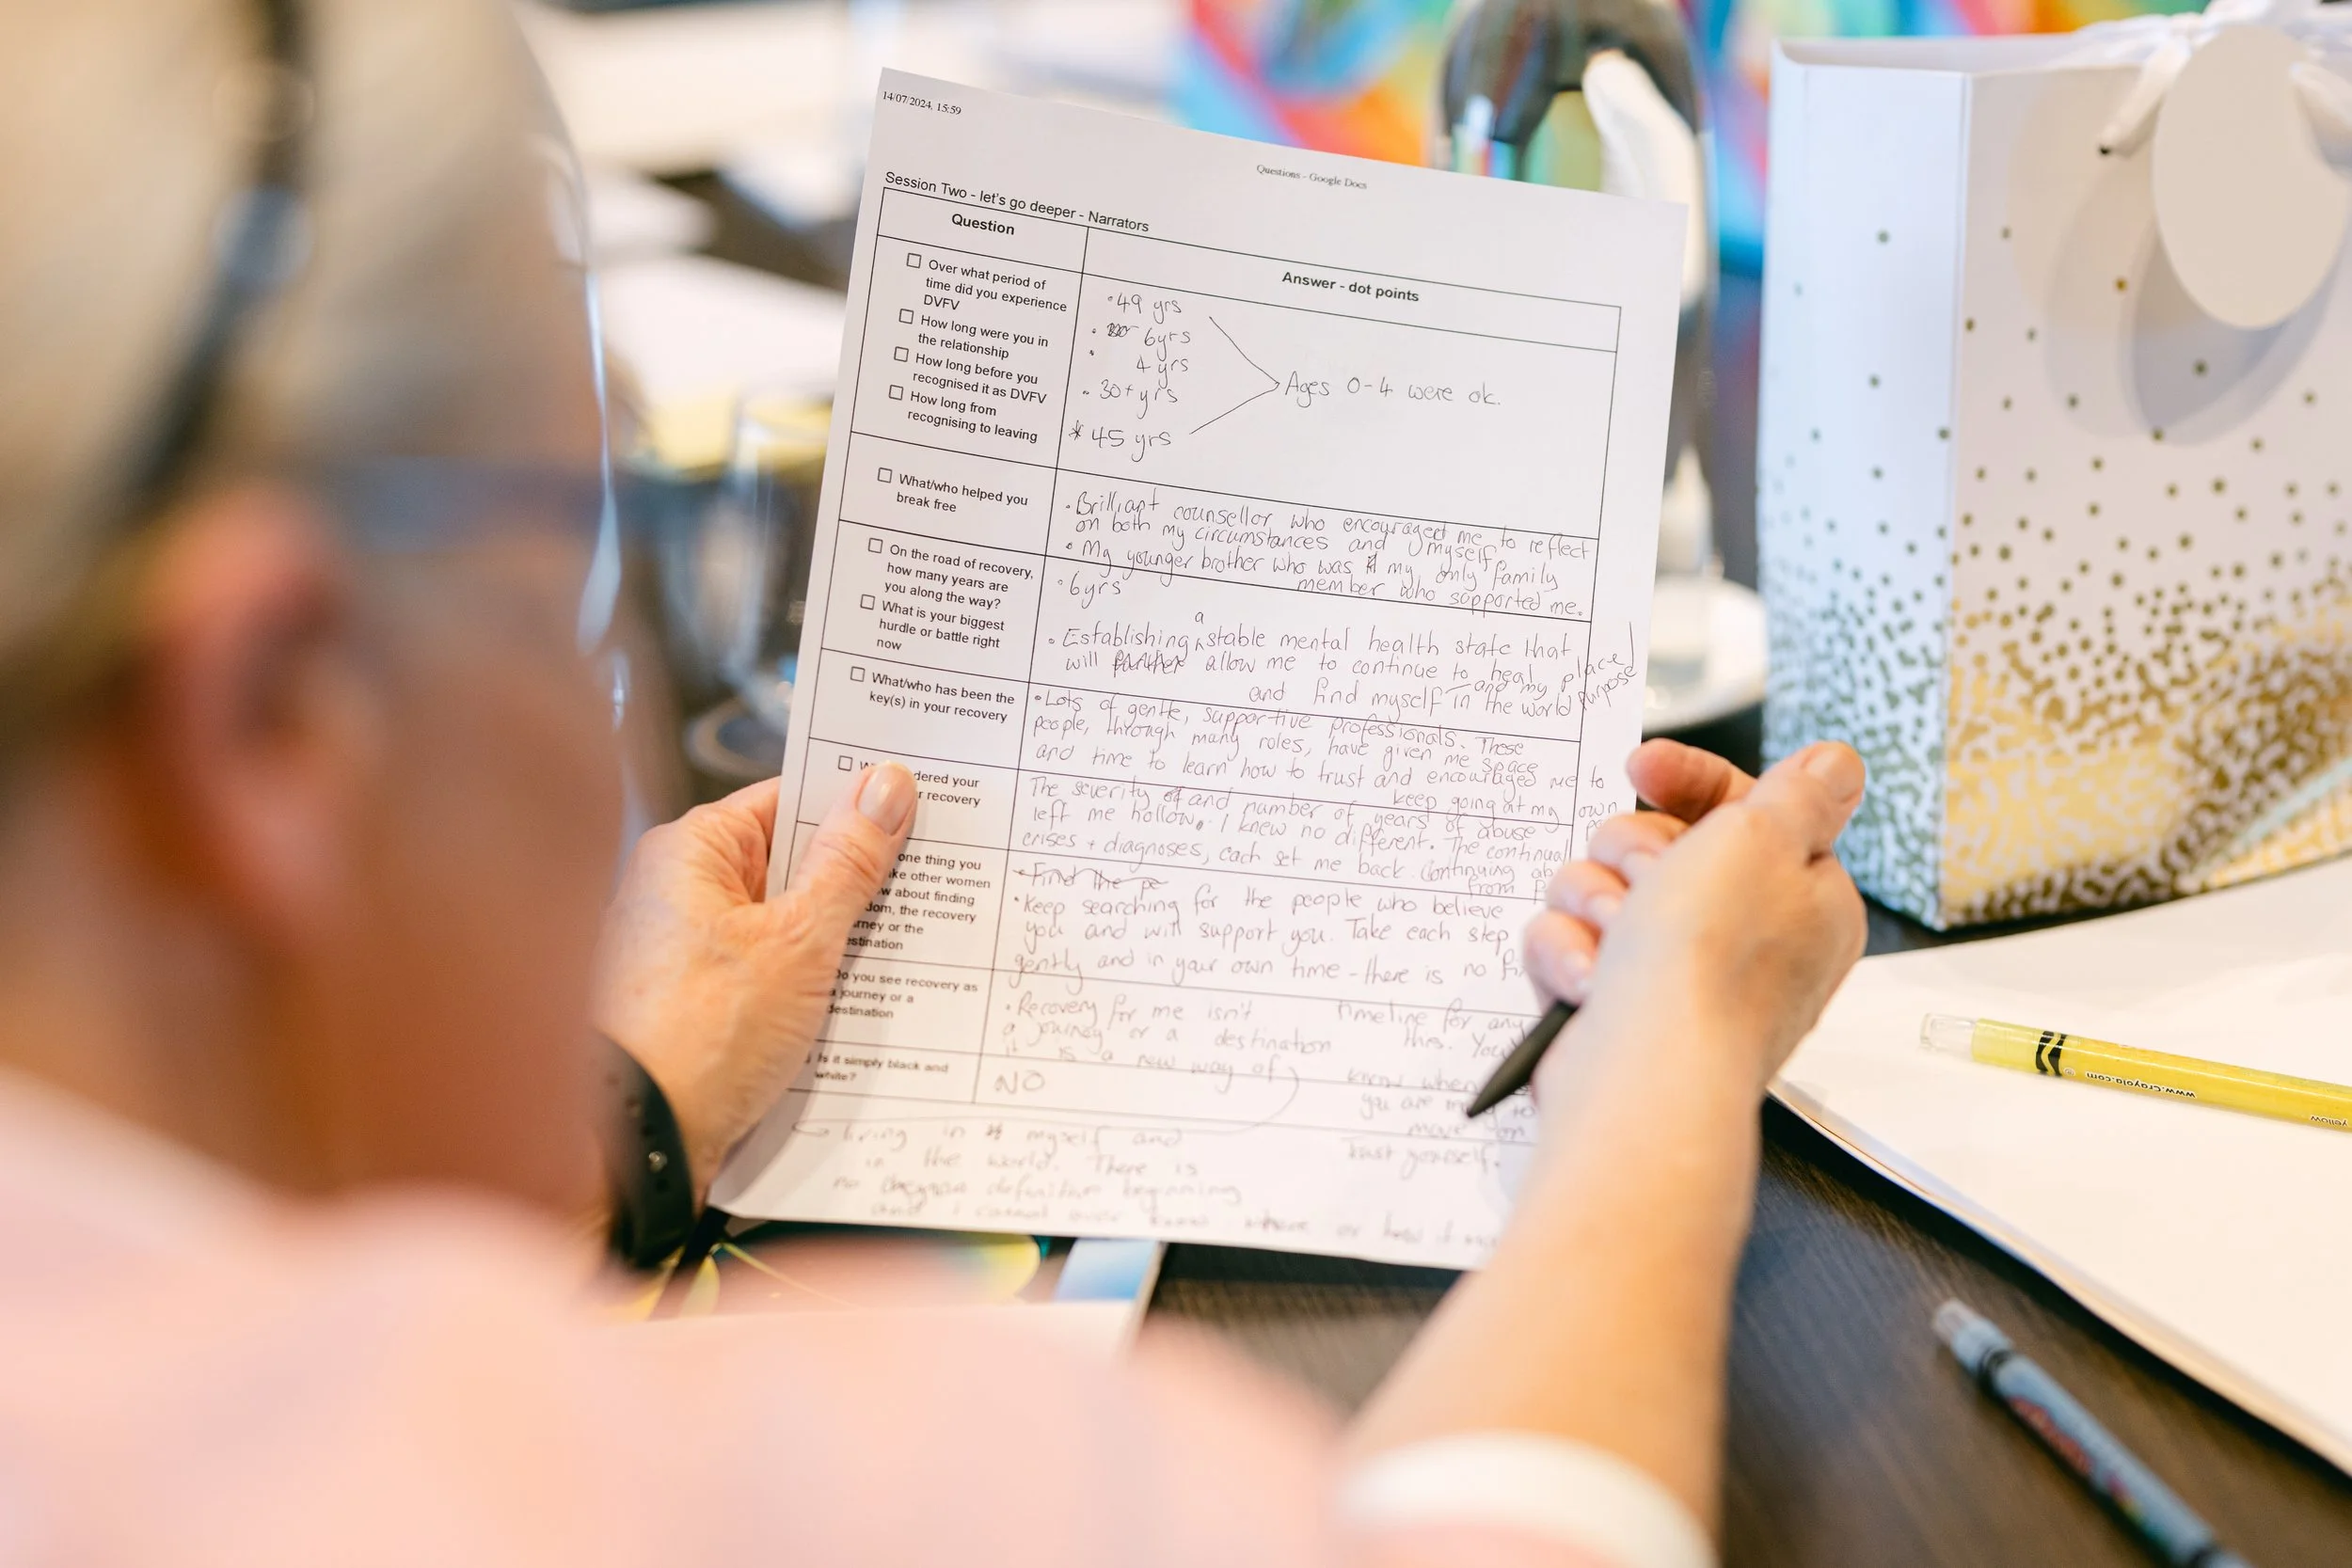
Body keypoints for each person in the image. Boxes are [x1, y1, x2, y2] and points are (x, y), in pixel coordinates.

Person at [0, 2, 1868, 1564]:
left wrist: (620, 1111)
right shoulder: (810, 1487)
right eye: (578, 556)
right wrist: (1669, 1071)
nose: (625, 721)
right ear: (270, 716)